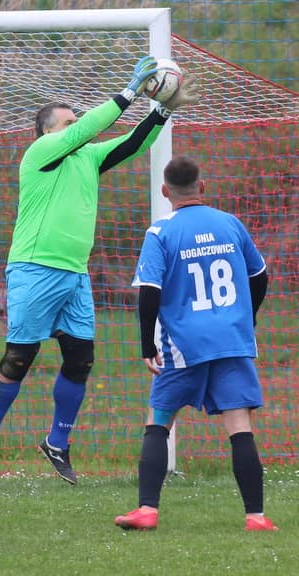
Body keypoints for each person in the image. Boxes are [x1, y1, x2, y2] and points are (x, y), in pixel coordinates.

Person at [0, 56, 199, 485]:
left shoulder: (87, 158)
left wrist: (162, 110)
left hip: (74, 275)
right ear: (47, 133)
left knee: (80, 359)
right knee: (19, 358)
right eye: (68, 122)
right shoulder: (40, 154)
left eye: (76, 120)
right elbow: (87, 129)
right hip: (34, 268)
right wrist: (129, 92)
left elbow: (132, 143)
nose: (76, 126)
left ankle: (57, 442)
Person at [114, 156, 277, 532]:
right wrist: (247, 317)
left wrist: (146, 345)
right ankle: (256, 516)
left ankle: (147, 510)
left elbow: (149, 292)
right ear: (201, 187)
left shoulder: (161, 232)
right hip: (232, 340)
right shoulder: (229, 223)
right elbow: (260, 276)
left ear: (164, 191)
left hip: (184, 344)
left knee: (159, 419)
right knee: (239, 424)